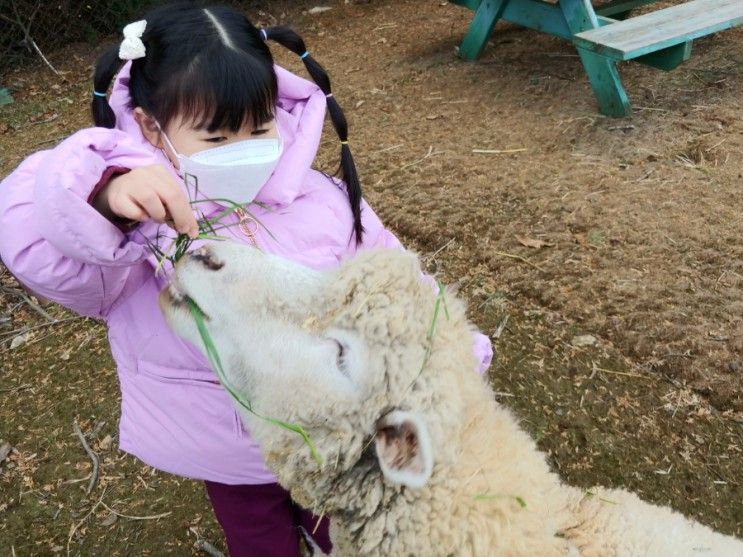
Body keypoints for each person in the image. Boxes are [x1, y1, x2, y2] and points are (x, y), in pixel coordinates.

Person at [0, 4, 492, 556]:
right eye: (215, 139)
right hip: (227, 445)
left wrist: (455, 362)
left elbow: (397, 284)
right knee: (258, 539)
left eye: (260, 127)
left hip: (327, 430)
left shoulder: (321, 197)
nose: (245, 148)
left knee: (345, 525)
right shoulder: (135, 228)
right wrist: (103, 196)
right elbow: (33, 240)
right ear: (148, 125)